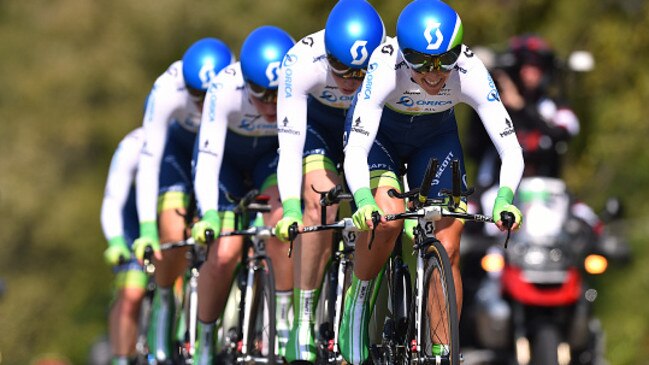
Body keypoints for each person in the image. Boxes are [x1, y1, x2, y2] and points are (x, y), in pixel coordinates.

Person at [340, 0, 524, 363]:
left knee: (449, 241)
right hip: (381, 138)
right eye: (421, 60)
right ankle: (358, 300)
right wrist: (363, 199)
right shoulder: (383, 63)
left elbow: (511, 148)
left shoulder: (469, 68)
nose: (434, 72)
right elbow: (357, 147)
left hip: (436, 138)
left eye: (445, 58)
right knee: (388, 217)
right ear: (404, 53)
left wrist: (505, 198)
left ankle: (441, 351)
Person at [272, 0, 386, 362]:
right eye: (341, 69)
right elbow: (289, 148)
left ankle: (368, 307)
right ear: (327, 54)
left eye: (361, 72)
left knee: (388, 211)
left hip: (369, 127)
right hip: (319, 128)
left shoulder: (388, 54)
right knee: (320, 201)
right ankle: (304, 317)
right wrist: (291, 206)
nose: (351, 80)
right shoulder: (300, 60)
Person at [189, 26, 295, 364]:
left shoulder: (294, 85)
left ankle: (281, 322)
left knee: (279, 223)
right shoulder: (224, 88)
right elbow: (207, 161)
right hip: (226, 165)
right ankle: (204, 339)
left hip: (269, 161)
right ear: (245, 81)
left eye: (278, 94)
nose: (270, 103)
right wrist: (208, 214)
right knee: (224, 253)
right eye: (260, 93)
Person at [132, 38, 234, 364]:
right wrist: (148, 227)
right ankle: (165, 299)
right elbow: (149, 161)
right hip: (178, 150)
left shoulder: (235, 79)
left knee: (228, 240)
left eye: (209, 96)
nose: (204, 104)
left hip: (221, 152)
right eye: (196, 97)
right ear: (185, 87)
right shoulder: (166, 89)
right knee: (173, 234)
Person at [467, 34, 580, 187]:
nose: (528, 73)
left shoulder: (555, 106)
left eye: (535, 66)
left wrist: (521, 108)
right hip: (496, 188)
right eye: (524, 65)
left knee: (583, 212)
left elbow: (563, 133)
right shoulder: (496, 105)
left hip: (546, 189)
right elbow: (473, 147)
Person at [100, 128, 146, 365]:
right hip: (133, 221)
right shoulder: (133, 145)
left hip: (175, 213)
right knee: (131, 293)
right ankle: (121, 359)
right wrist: (116, 241)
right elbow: (112, 200)